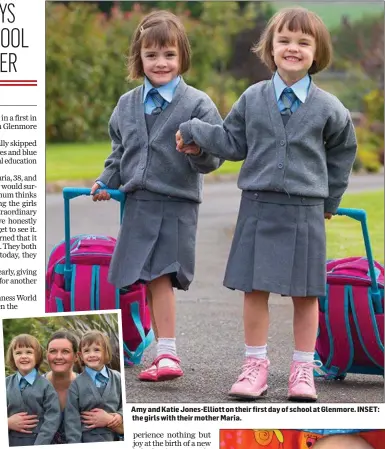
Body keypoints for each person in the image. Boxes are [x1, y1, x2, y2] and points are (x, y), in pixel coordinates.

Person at [176, 6, 357, 401]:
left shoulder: (329, 108)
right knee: (254, 290)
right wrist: (194, 131)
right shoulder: (252, 98)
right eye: (284, 41)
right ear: (271, 49)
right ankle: (255, 366)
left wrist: (331, 199)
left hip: (305, 209)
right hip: (257, 205)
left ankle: (302, 370)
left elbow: (344, 151)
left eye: (303, 43)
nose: (293, 48)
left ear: (317, 52)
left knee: (306, 294)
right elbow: (231, 142)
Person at [90, 10, 223, 381]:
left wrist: (197, 151)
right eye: (151, 55)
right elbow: (119, 153)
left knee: (162, 274)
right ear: (139, 58)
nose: (160, 63)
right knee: (138, 276)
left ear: (182, 57)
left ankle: (168, 355)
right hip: (139, 204)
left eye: (168, 55)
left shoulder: (197, 104)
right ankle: (148, 346)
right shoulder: (126, 105)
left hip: (177, 202)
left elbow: (217, 154)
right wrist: (105, 181)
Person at [45, 329, 123, 443]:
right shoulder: (76, 385)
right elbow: (72, 422)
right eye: (87, 351)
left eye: (97, 350)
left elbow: (125, 405)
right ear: (80, 355)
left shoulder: (117, 377)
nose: (92, 355)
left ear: (106, 352)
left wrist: (118, 416)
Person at [6, 334, 61, 446]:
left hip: (38, 442)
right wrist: (6, 423)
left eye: (29, 352)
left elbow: (53, 418)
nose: (23, 356)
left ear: (37, 356)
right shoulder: (5, 384)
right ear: (12, 357)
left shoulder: (46, 386)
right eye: (18, 353)